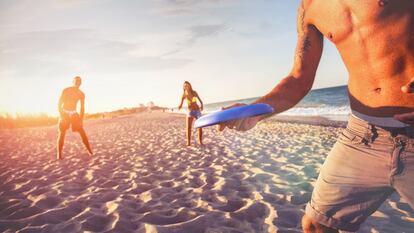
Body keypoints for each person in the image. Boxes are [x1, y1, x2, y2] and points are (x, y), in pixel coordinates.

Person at [218, 0, 414, 232]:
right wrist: (256, 111)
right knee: (316, 224)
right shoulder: (308, 8)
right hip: (362, 137)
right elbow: (299, 77)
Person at [57, 76, 93, 159]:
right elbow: (59, 103)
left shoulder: (81, 94)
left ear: (81, 83)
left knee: (82, 132)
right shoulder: (66, 90)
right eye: (76, 81)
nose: (78, 82)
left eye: (79, 81)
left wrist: (81, 119)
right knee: (62, 133)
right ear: (73, 81)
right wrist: (61, 114)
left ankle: (90, 151)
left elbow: (82, 107)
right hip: (64, 112)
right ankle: (59, 154)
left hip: (74, 114)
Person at [178, 81, 204, 146]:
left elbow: (200, 100)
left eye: (187, 85)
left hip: (197, 111)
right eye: (185, 86)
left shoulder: (194, 92)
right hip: (190, 111)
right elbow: (181, 104)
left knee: (200, 126)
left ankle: (200, 141)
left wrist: (202, 105)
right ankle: (188, 142)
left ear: (189, 86)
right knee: (188, 127)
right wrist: (180, 106)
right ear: (183, 87)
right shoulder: (184, 95)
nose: (186, 86)